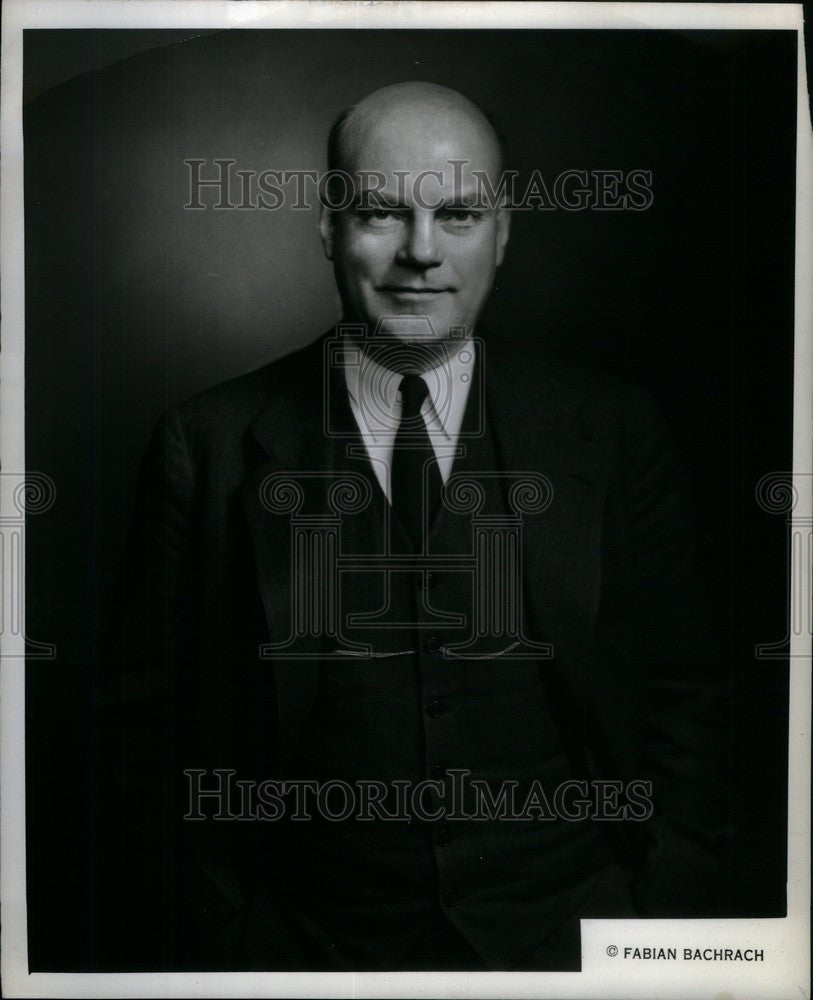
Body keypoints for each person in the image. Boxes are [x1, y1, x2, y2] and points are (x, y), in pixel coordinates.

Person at [99, 81, 729, 972]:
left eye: (460, 216)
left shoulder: (615, 429)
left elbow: (688, 696)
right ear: (328, 229)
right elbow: (142, 740)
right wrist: (222, 940)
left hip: (583, 939)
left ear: (504, 232)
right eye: (381, 215)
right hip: (301, 950)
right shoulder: (203, 445)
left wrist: (661, 919)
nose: (420, 254)